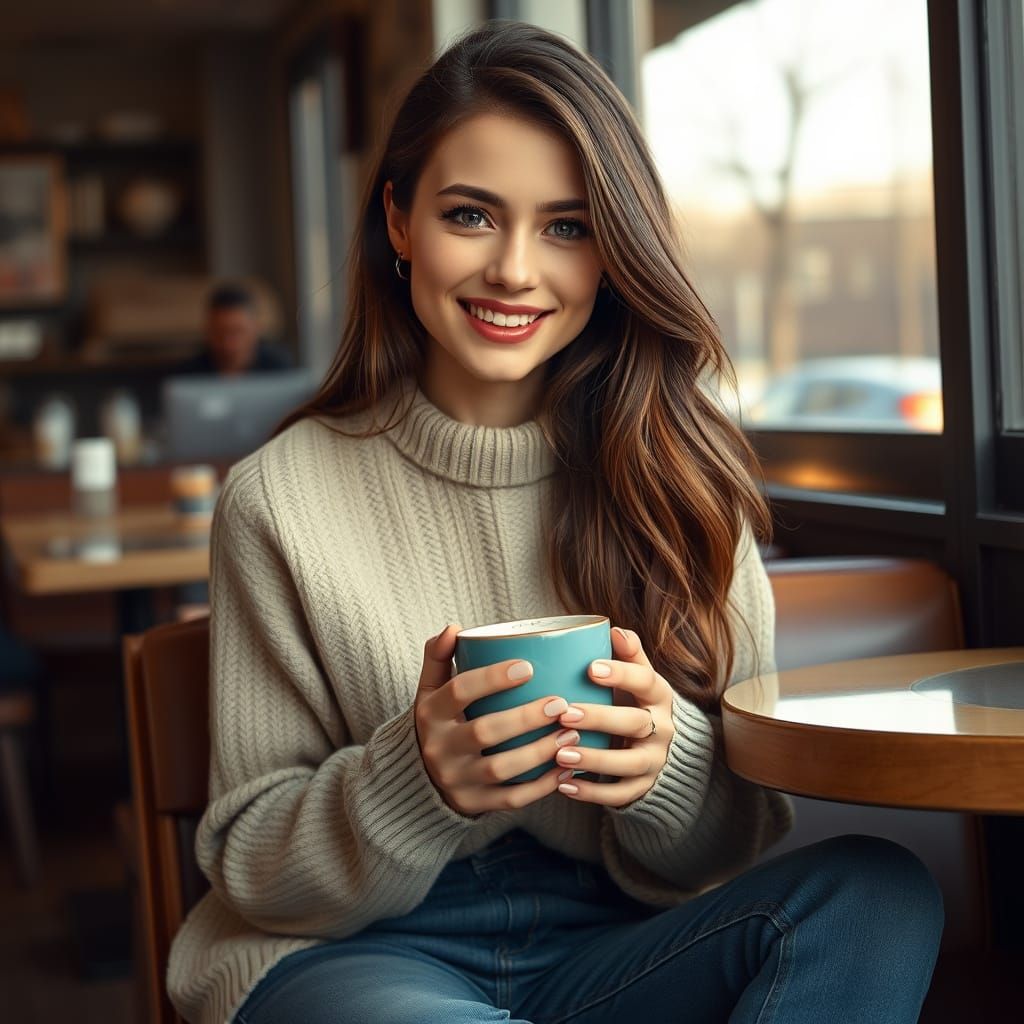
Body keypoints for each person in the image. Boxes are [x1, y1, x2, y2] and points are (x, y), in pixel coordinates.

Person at [167, 22, 944, 1024]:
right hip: (356, 954)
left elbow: (736, 836)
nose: (515, 271)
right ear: (399, 220)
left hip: (619, 941)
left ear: (613, 252)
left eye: (568, 227)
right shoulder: (278, 497)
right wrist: (414, 781)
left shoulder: (683, 474)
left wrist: (664, 772)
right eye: (470, 215)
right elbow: (253, 865)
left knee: (875, 894)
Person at [176, 282, 292, 376]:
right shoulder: (190, 374)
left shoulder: (280, 369)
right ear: (207, 330)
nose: (229, 343)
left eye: (238, 332)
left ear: (257, 328)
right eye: (220, 333)